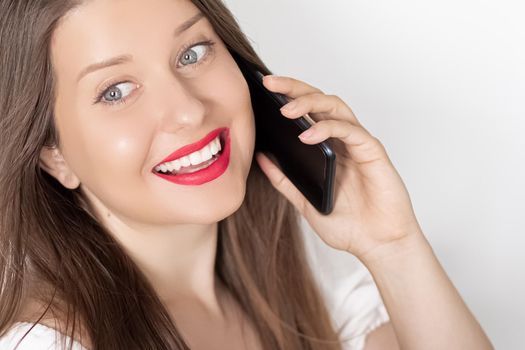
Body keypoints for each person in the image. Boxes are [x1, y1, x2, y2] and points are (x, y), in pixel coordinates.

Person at [0, 0, 493, 349]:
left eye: (192, 53)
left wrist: (393, 247)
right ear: (52, 154)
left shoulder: (309, 288)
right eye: (115, 91)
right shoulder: (46, 342)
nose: (189, 110)